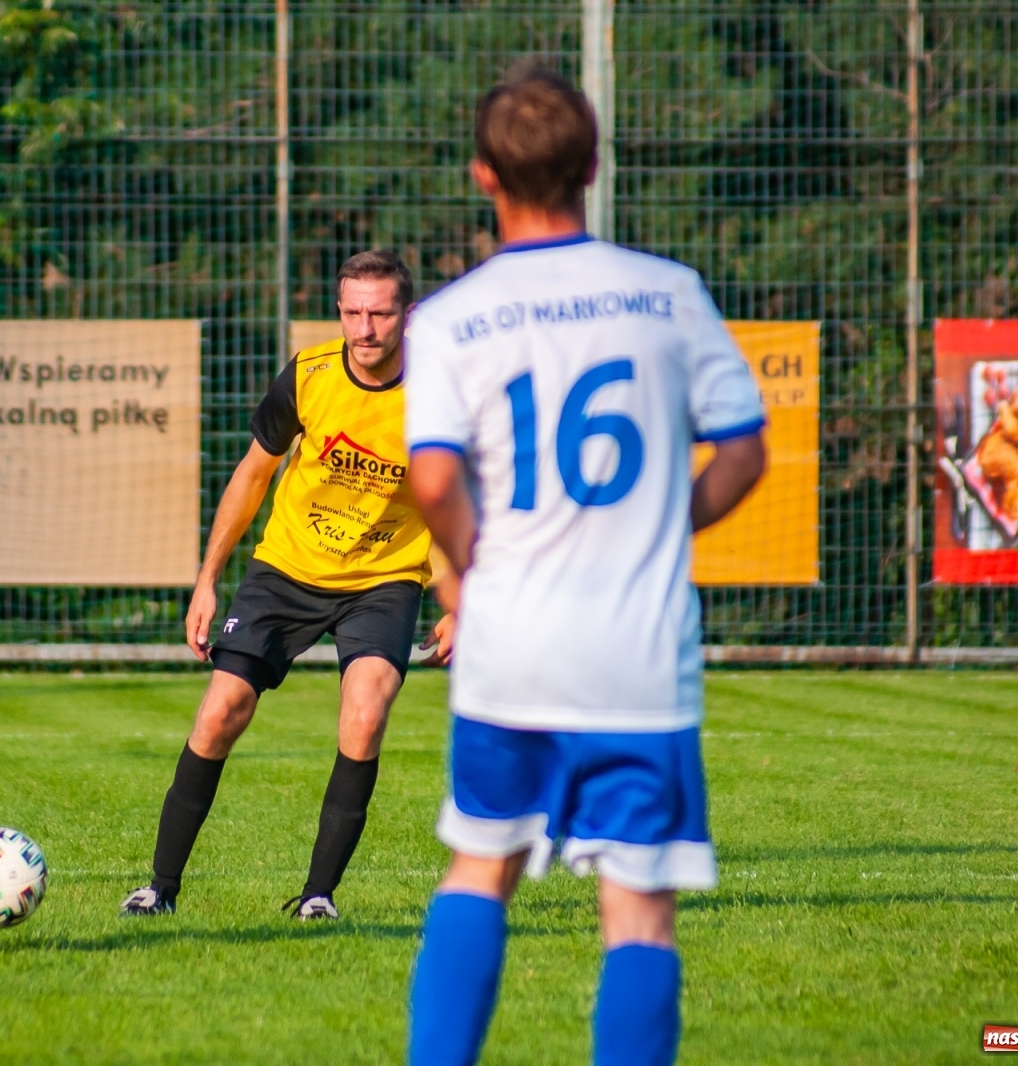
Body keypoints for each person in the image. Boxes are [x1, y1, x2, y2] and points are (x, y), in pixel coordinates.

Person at [402, 69, 768, 1065]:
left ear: (483, 174)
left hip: (512, 643)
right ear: (594, 166)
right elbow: (743, 452)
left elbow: (431, 478)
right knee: (639, 910)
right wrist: (659, 522)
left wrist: (474, 563)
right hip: (636, 655)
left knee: (479, 867)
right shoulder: (669, 293)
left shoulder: (450, 316)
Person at [120, 250, 453, 921]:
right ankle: (160, 888)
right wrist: (207, 580)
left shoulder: (441, 396)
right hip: (287, 568)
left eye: (380, 314)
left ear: (408, 315)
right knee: (220, 712)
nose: (365, 329)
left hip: (384, 577)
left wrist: (458, 601)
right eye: (352, 313)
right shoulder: (309, 374)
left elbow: (453, 503)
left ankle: (318, 897)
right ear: (339, 311)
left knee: (366, 713)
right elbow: (252, 476)